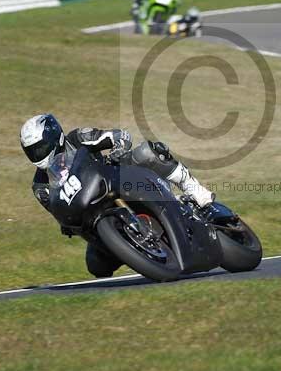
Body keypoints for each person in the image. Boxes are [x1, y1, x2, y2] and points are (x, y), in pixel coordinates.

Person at [19, 114, 218, 277]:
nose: (38, 154)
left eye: (41, 148)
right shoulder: (40, 185)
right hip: (92, 214)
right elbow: (58, 210)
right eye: (32, 152)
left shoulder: (78, 138)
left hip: (118, 178)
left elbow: (119, 136)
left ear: (56, 138)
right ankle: (138, 250)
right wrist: (67, 225)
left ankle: (195, 190)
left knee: (148, 152)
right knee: (96, 267)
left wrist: (118, 148)